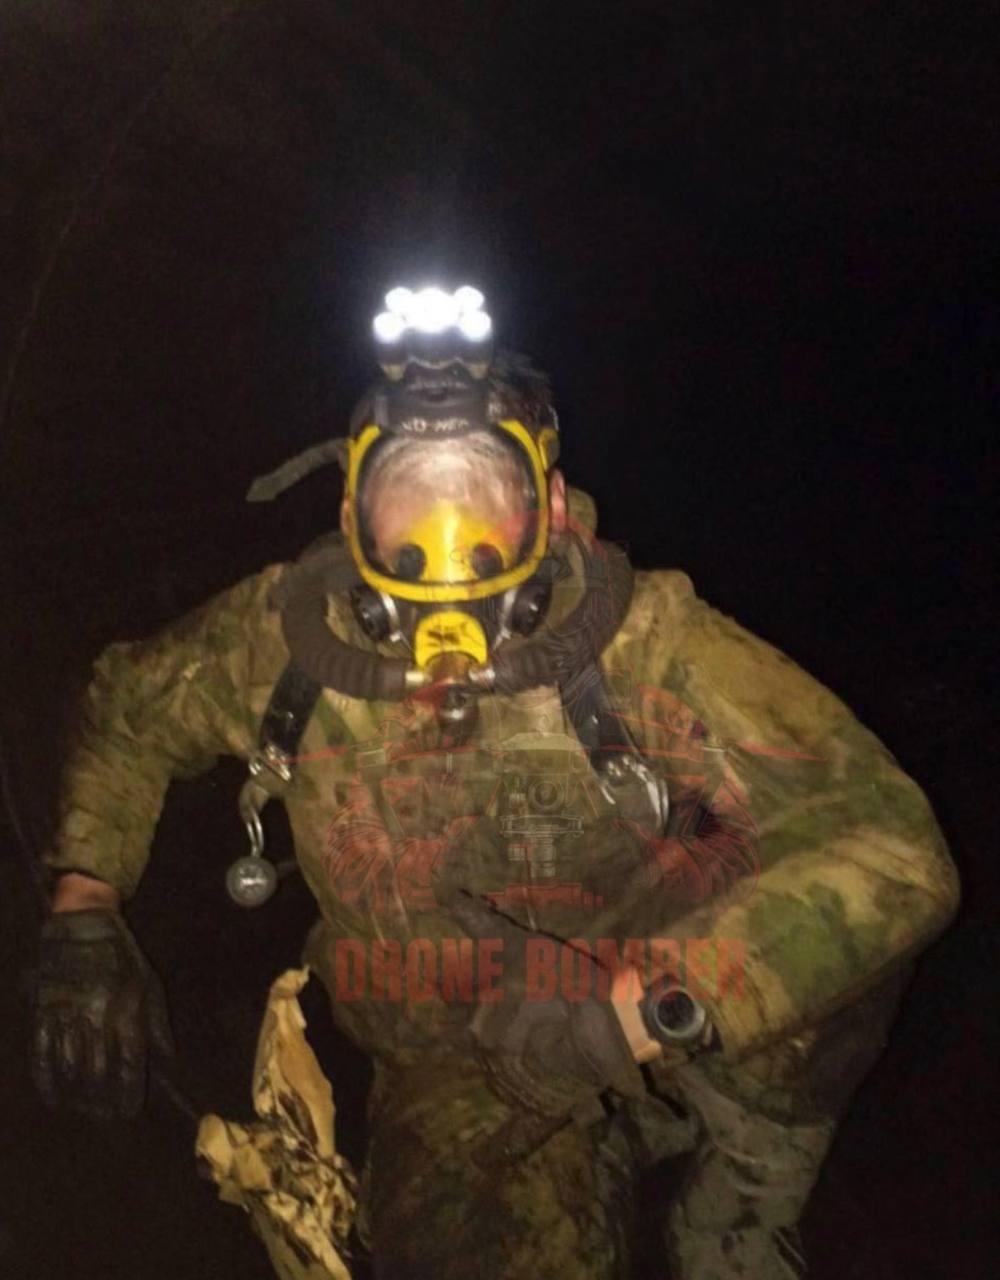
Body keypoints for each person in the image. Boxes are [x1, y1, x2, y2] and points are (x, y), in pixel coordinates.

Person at [32, 286, 959, 1279]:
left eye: (481, 493)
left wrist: (641, 1007)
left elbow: (895, 842)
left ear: (548, 508)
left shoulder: (649, 644)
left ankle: (734, 1208)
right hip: (465, 1058)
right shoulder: (282, 646)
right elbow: (129, 707)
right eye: (409, 495)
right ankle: (586, 1165)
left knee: (829, 947)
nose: (445, 540)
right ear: (350, 511)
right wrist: (86, 899)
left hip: (662, 1000)